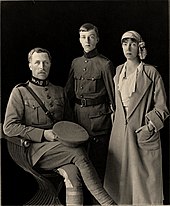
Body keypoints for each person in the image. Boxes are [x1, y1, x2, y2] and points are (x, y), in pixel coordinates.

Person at [3, 47, 117, 206]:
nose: (41, 67)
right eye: (37, 62)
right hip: (35, 151)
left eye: (45, 62)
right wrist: (43, 134)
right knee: (78, 153)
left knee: (73, 172)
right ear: (30, 65)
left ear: (50, 64)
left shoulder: (60, 91)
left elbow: (69, 124)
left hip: (61, 149)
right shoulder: (20, 92)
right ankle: (108, 203)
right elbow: (9, 127)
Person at [104, 31, 169, 205]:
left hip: (140, 132)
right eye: (125, 43)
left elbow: (162, 108)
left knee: (142, 185)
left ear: (139, 46)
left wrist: (149, 127)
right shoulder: (118, 71)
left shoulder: (151, 73)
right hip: (119, 133)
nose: (128, 48)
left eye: (132, 43)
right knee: (119, 182)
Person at [65, 23, 115, 184]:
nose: (87, 41)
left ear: (97, 39)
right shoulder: (75, 63)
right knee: (80, 165)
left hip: (98, 122)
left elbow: (113, 96)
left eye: (91, 37)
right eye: (83, 37)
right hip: (78, 119)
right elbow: (68, 92)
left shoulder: (105, 64)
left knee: (97, 166)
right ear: (79, 40)